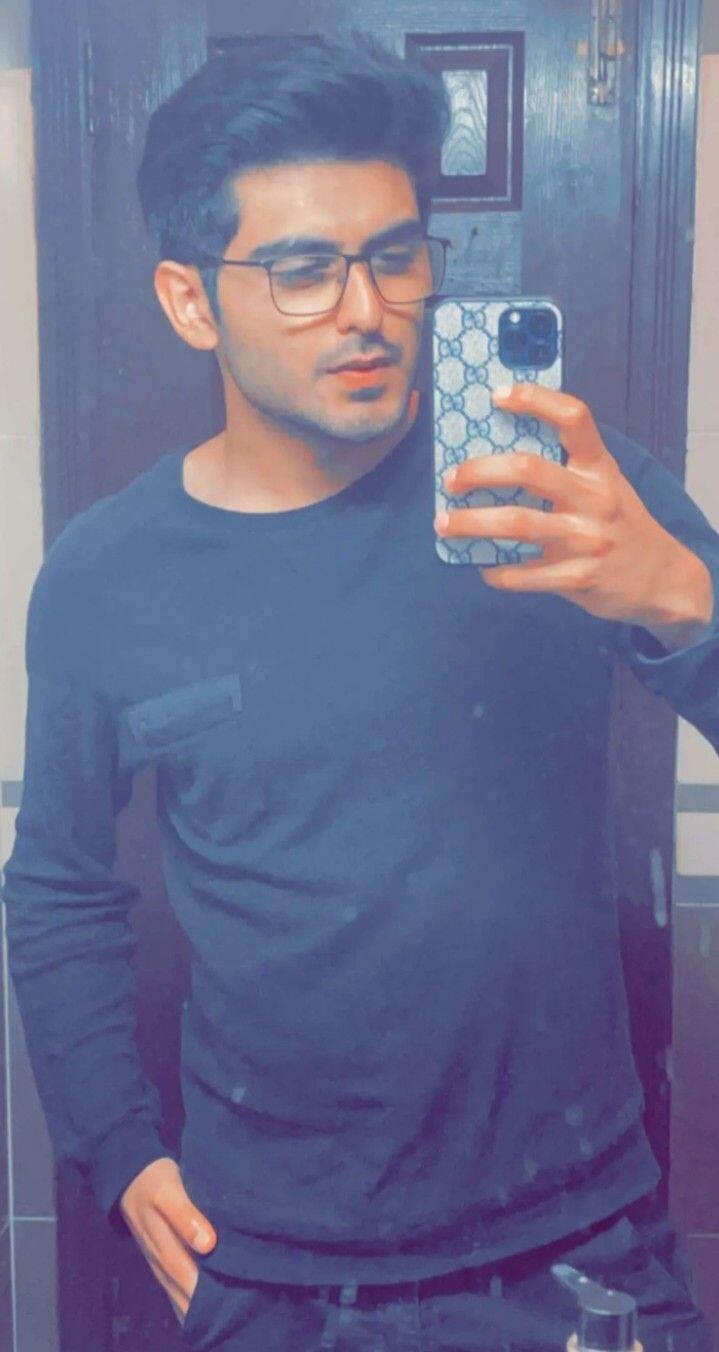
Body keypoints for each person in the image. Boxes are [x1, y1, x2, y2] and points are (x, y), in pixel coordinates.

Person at [1, 33, 717, 1352]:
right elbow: (56, 882)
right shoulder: (106, 579)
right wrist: (117, 1145)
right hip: (267, 1276)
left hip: (577, 1253)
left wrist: (684, 602)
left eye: (395, 255)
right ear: (190, 301)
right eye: (301, 271)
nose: (367, 309)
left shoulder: (560, 493)